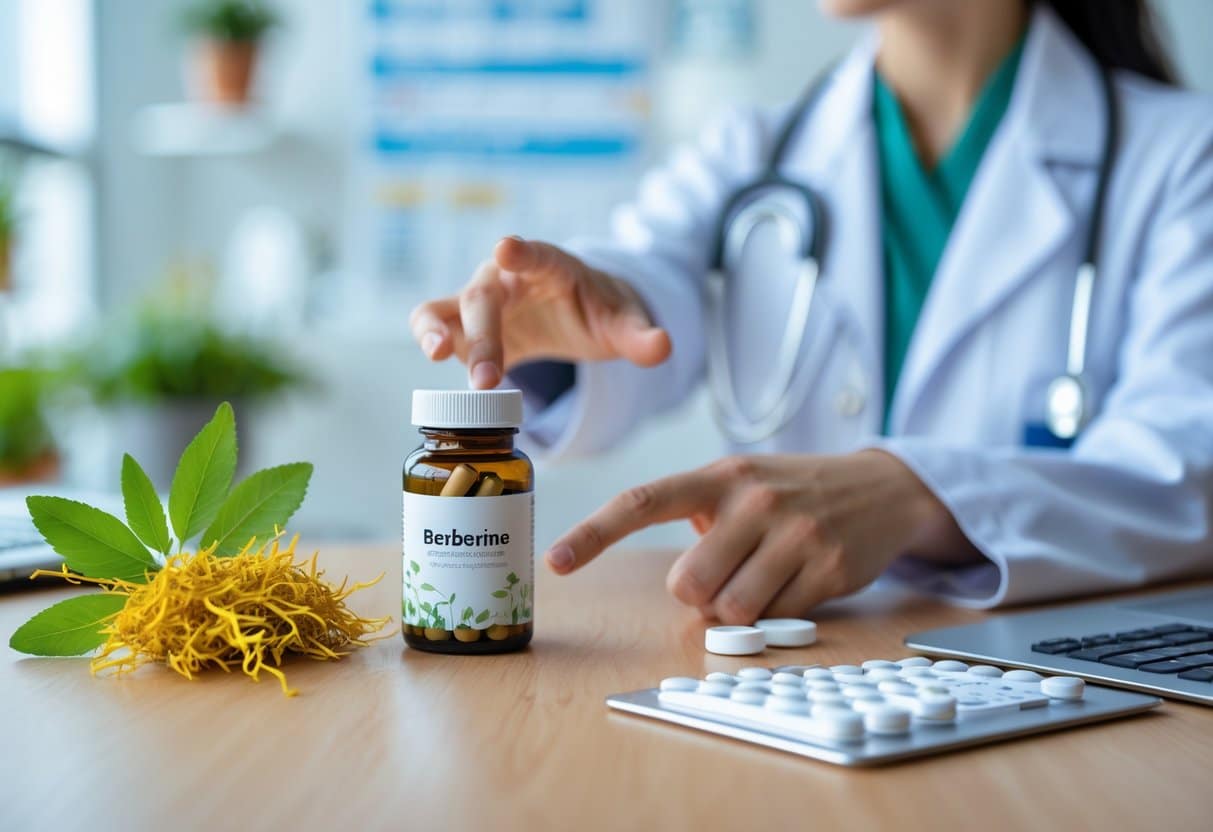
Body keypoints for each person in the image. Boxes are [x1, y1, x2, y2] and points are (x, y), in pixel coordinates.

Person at [409, 0, 1213, 621]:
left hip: (1065, 703)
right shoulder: (757, 152)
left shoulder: (1182, 160)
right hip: (793, 683)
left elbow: (1183, 472)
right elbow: (648, 282)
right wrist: (566, 323)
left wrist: (917, 495)